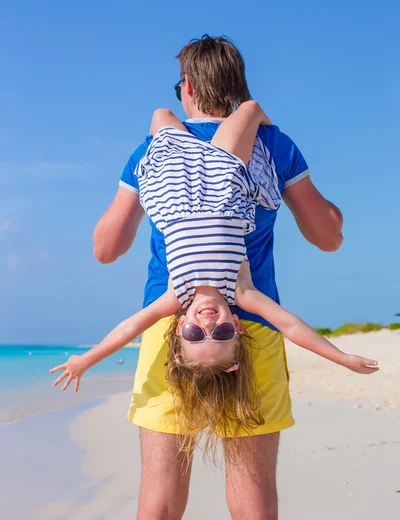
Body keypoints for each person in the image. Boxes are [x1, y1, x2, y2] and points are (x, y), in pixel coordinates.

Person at [93, 35, 345, 520]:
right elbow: (327, 237)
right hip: (252, 323)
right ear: (239, 86)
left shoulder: (153, 151)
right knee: (252, 501)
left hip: (171, 326)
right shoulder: (274, 144)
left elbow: (107, 249)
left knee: (160, 500)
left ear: (185, 87)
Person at [51, 106, 377, 456]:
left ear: (180, 329)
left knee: (161, 115)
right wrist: (341, 358)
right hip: (222, 184)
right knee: (250, 110)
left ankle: (192, 123)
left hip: (173, 189)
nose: (208, 323)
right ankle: (245, 118)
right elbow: (291, 327)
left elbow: (129, 328)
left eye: (195, 334)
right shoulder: (241, 291)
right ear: (237, 326)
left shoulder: (177, 296)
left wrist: (85, 360)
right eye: (221, 333)